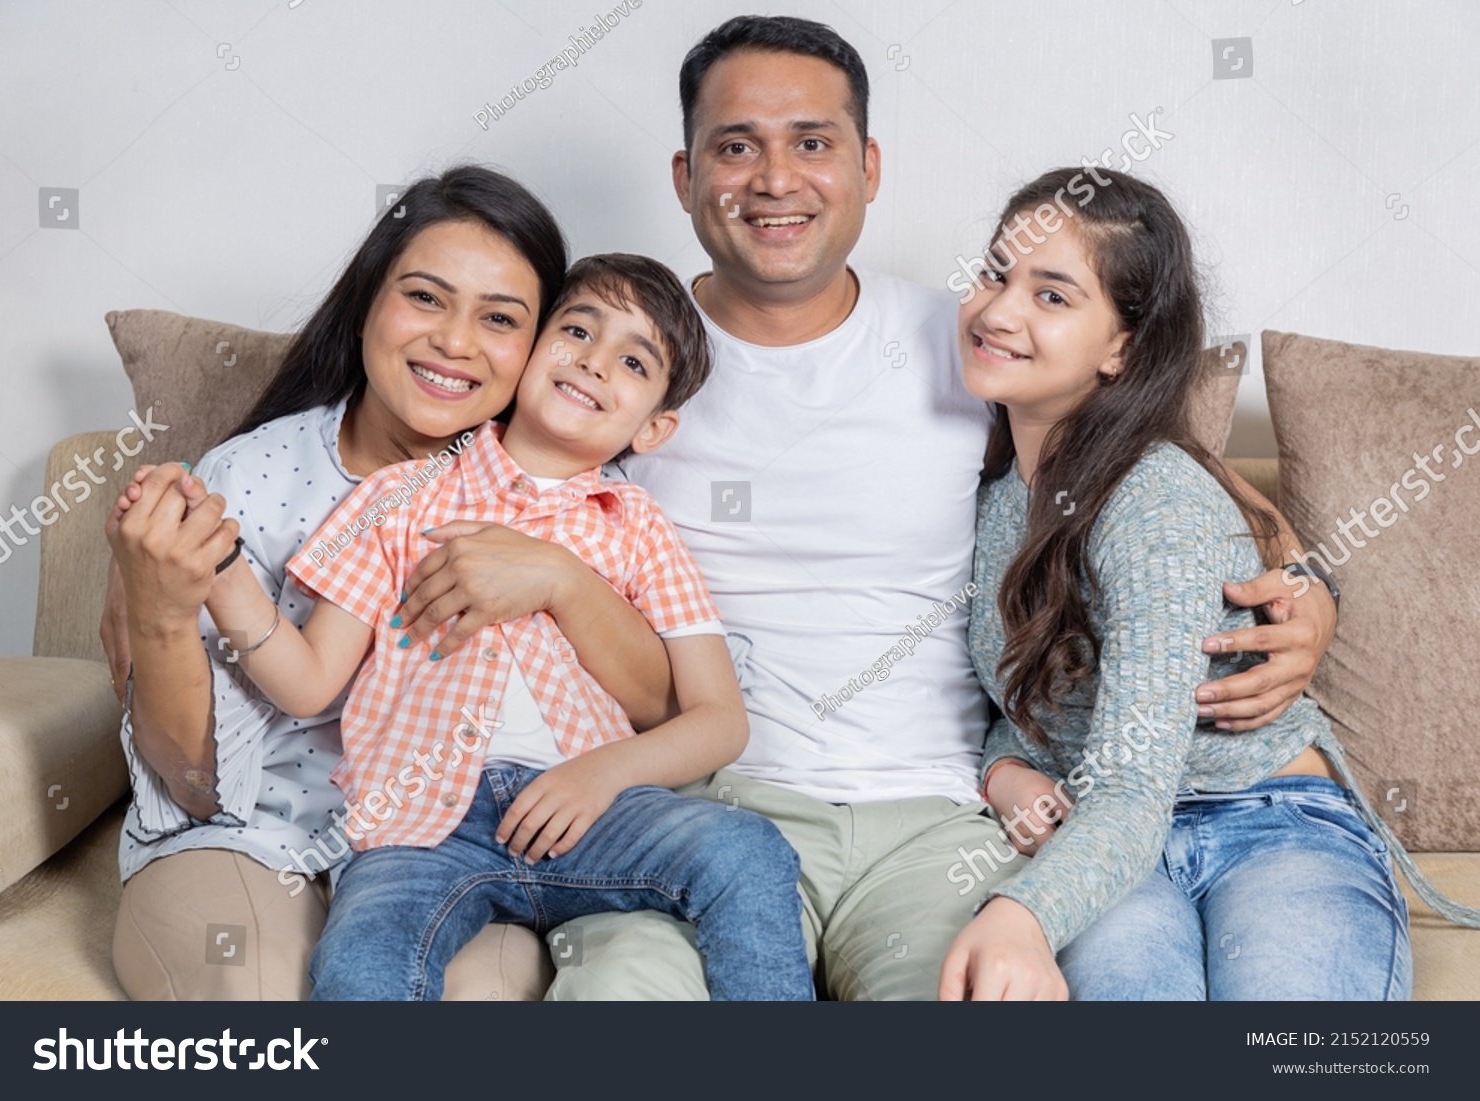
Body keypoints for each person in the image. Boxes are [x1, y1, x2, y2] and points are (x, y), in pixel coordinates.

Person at [544, 15, 1340, 1001]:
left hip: (931, 822)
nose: (775, 179)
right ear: (685, 174)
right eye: (736, 145)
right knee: (617, 994)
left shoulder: (971, 345)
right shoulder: (613, 363)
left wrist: (1309, 600)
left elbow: (1176, 485)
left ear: (868, 169)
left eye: (813, 143)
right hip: (712, 804)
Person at [130, 252, 812, 1001]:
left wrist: (600, 773)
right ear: (524, 357)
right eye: (577, 330)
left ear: (654, 427)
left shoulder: (640, 528)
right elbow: (308, 681)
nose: (591, 362)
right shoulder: (400, 497)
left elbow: (720, 721)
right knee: (362, 962)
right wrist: (219, 565)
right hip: (420, 831)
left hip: (591, 810)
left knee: (749, 850)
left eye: (632, 361)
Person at [938, 167, 1480, 1001]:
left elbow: (1131, 776)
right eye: (995, 274)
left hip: (1274, 821)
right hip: (1110, 840)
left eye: (1052, 295)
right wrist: (1005, 768)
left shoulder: (1156, 496)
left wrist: (1020, 913)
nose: (999, 310)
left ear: (1122, 347)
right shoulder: (988, 495)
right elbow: (1031, 706)